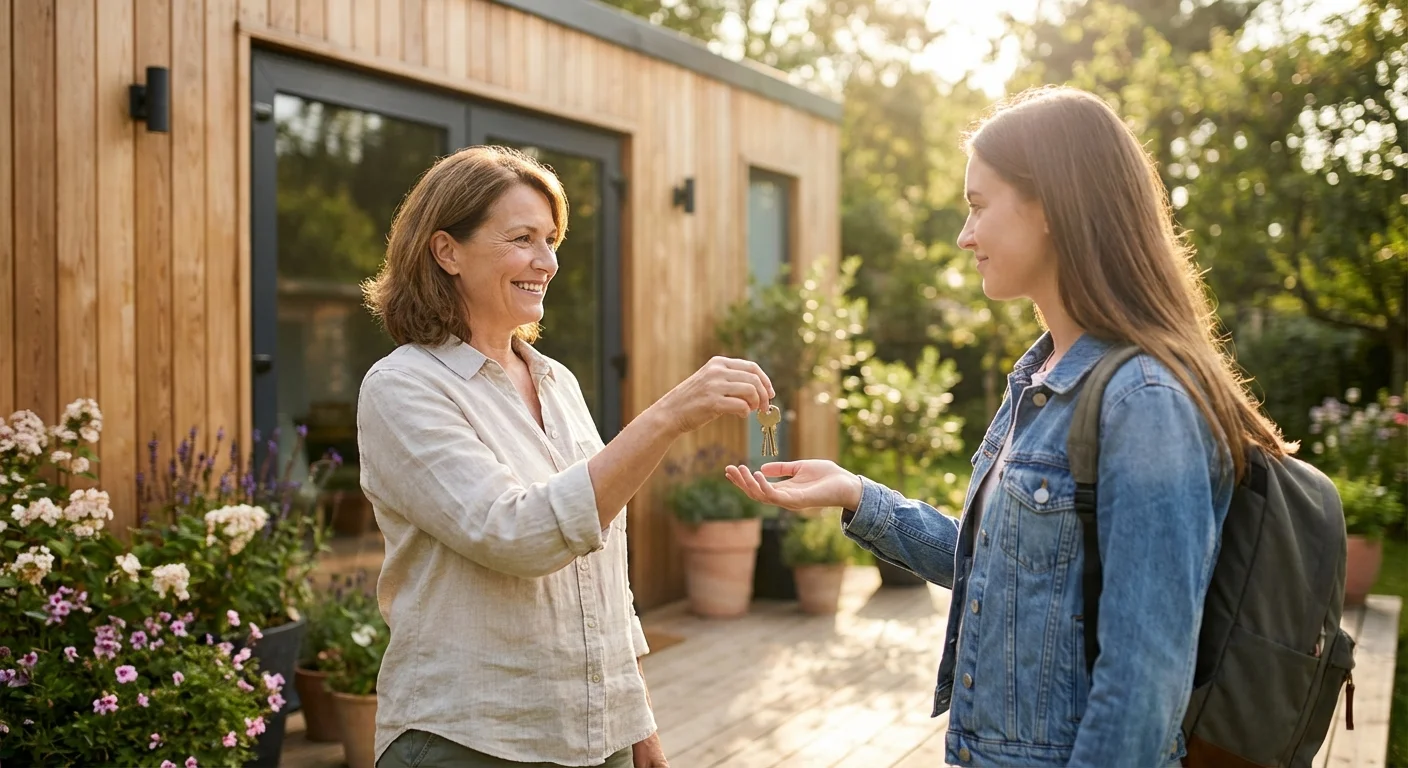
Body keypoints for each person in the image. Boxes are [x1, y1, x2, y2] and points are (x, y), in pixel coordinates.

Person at [724, 86, 1293, 767]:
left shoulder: (1144, 402)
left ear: (1050, 205)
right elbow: (999, 568)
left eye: (977, 206)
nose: (965, 236)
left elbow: (1143, 689)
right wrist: (855, 493)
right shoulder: (1040, 380)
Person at [357, 145, 774, 768]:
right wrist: (666, 417)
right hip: (470, 741)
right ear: (447, 251)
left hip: (593, 739)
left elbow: (603, 571)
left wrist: (638, 721)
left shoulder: (556, 381)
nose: (546, 262)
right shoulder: (404, 388)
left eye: (551, 240)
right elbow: (518, 533)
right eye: (522, 238)